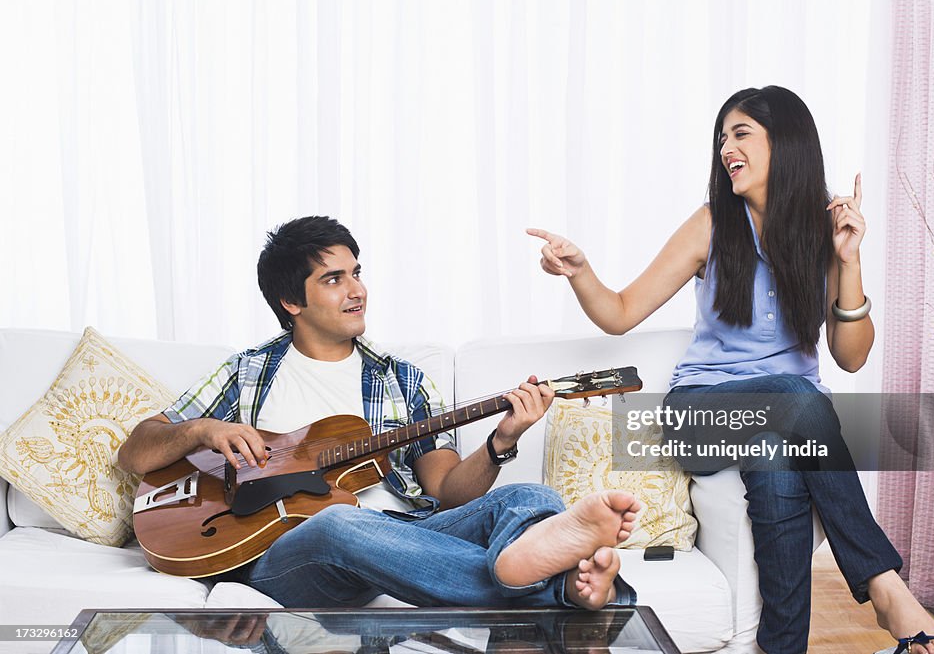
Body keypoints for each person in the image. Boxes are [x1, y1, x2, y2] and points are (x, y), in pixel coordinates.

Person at [528, 87, 934, 653]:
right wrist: (580, 270)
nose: (727, 149)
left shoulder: (824, 226)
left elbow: (852, 355)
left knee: (777, 466)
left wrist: (849, 259)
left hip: (789, 425)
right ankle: (885, 586)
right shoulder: (713, 224)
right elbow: (619, 312)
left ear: (785, 144)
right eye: (722, 138)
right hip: (700, 416)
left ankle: (780, 648)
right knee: (797, 395)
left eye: (741, 135)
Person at [118, 215, 641, 611]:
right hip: (288, 553)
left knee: (531, 496)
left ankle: (546, 577)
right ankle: (553, 588)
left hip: (404, 534)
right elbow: (135, 451)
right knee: (338, 522)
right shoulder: (248, 372)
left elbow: (446, 491)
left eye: (357, 273)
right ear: (290, 301)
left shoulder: (404, 380)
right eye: (333, 279)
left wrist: (502, 441)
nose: (356, 290)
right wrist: (203, 429)